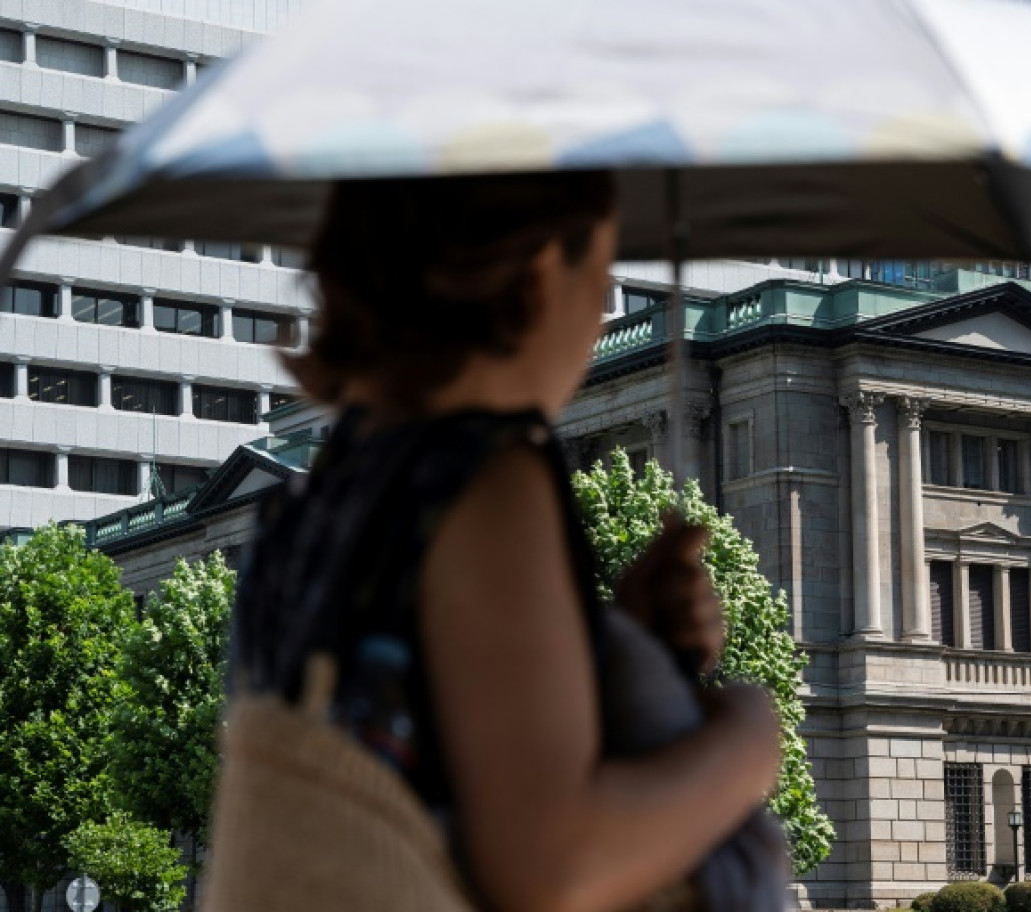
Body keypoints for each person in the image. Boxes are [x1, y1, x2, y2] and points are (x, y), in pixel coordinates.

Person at [231, 172, 784, 912]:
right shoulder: (486, 479)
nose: (597, 319)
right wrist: (747, 739)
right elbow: (552, 868)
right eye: (604, 275)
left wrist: (623, 642)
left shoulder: (317, 500)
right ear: (545, 266)